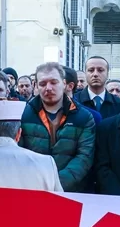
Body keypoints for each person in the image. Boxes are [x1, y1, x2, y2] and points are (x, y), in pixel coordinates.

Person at [20, 62, 96, 192]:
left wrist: (57, 184)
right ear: (35, 85)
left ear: (64, 84)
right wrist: (39, 183)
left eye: (54, 82)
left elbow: (84, 157)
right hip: (34, 189)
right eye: (43, 84)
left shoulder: (83, 117)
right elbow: (19, 154)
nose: (48, 88)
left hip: (72, 192)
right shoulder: (22, 115)